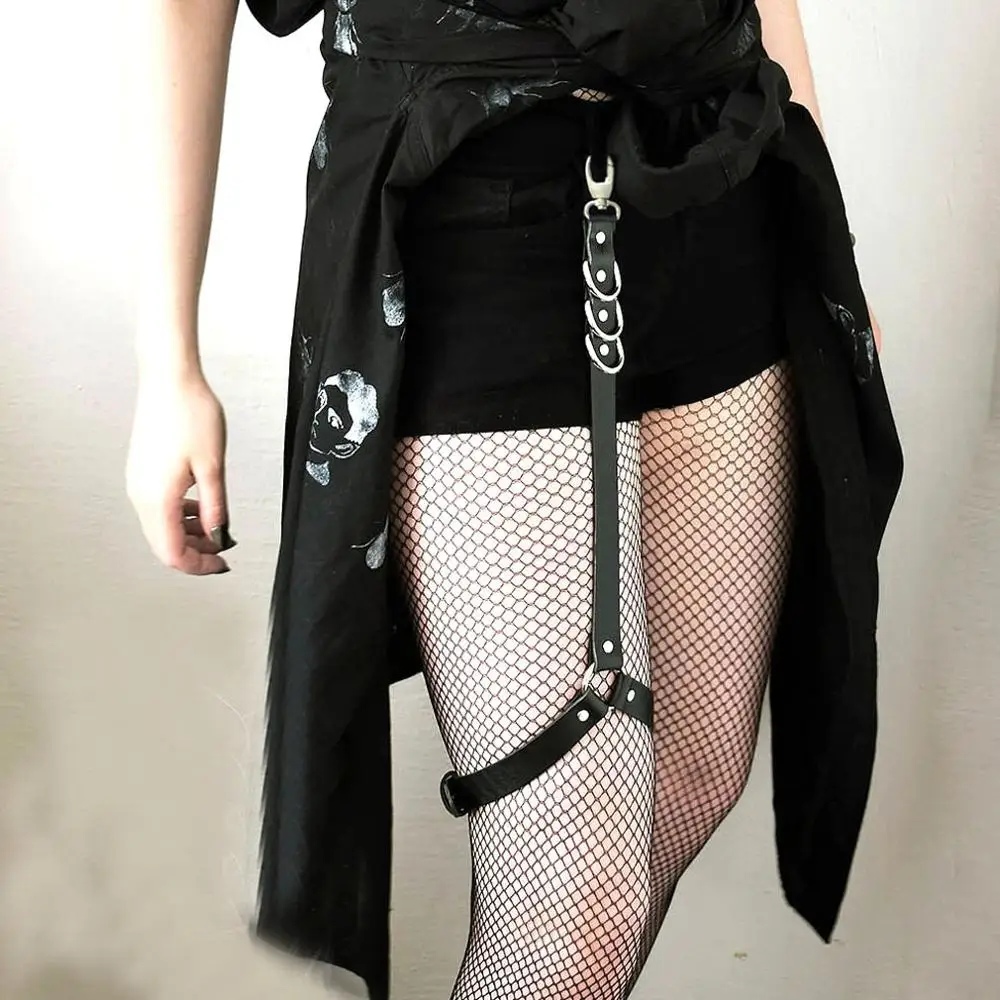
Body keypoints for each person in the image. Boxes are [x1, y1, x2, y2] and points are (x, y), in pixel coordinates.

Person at [126, 2, 904, 999]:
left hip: (720, 188)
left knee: (695, 776)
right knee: (574, 900)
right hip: (469, 226)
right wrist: (167, 363)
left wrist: (827, 233)